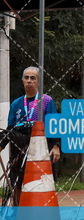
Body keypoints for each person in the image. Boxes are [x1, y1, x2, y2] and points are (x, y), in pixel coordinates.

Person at [5, 67, 61, 205]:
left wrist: (56, 146)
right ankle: (17, 210)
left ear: (38, 82)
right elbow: (9, 128)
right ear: (23, 80)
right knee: (17, 180)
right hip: (20, 147)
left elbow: (53, 125)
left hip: (41, 149)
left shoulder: (46, 101)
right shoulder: (16, 104)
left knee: (40, 180)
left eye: (33, 78)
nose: (29, 81)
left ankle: (42, 211)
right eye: (27, 78)